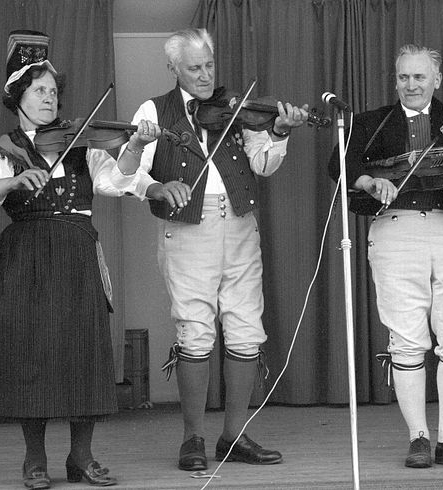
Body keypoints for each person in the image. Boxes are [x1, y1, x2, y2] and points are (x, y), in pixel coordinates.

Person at [0, 31, 161, 488]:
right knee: (32, 356)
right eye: (39, 91)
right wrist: (8, 183)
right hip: (25, 261)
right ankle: (34, 460)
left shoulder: (81, 142)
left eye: (53, 91)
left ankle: (81, 458)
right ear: (18, 97)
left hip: (78, 254)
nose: (50, 99)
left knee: (84, 352)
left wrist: (138, 146)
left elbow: (118, 180)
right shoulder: (3, 150)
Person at [113, 28, 310, 471]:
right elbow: (129, 174)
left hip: (239, 222)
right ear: (174, 68)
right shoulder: (154, 110)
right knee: (195, 329)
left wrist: (279, 131)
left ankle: (235, 436)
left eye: (209, 65)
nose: (205, 76)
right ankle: (193, 439)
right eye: (194, 68)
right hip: (186, 229)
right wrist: (159, 186)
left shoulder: (235, 107)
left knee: (245, 327)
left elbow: (263, 163)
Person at [328, 43, 443, 468]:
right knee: (407, 336)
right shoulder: (371, 122)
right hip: (395, 229)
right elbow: (339, 166)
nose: (411, 85)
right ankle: (419, 437)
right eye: (404, 77)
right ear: (396, 80)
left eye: (420, 77)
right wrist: (371, 182)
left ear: (436, 80)